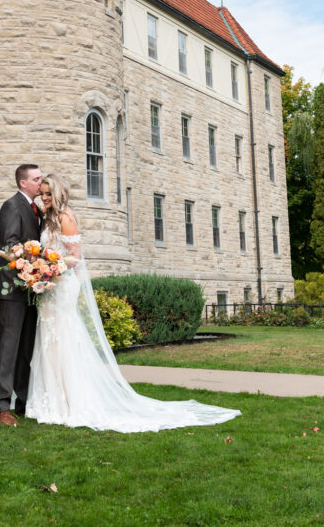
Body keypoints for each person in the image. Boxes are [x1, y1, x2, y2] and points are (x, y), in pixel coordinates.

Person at [25, 172, 240, 432]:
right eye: (43, 193)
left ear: (59, 194)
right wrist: (41, 268)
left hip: (62, 286)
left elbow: (76, 258)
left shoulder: (66, 217)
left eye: (49, 193)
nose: (44, 197)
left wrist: (51, 266)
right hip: (49, 288)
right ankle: (50, 399)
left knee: (64, 338)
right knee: (48, 339)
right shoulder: (47, 219)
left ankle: (71, 401)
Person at [0, 163, 44, 426]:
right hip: (13, 288)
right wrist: (33, 264)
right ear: (23, 183)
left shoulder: (37, 210)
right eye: (36, 179)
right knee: (9, 347)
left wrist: (42, 273)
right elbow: (9, 245)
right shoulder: (12, 206)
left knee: (25, 348)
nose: (40, 182)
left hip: (32, 287)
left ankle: (22, 401)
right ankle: (0, 406)